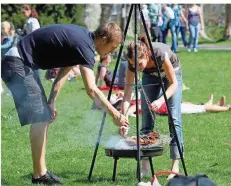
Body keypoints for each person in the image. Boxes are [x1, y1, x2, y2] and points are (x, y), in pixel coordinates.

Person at [1, 23, 129, 185]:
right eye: (113, 46)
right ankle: (39, 176)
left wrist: (52, 101)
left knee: (44, 117)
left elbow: (63, 72)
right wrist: (115, 114)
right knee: (40, 119)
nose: (112, 51)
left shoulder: (83, 40)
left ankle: (41, 172)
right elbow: (91, 89)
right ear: (103, 40)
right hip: (17, 63)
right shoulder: (85, 47)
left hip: (21, 63)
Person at [121, 35, 183, 179]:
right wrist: (123, 119)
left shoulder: (160, 54)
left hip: (171, 75)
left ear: (147, 55)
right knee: (146, 118)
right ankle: (145, 167)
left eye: (139, 65)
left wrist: (161, 100)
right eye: (133, 65)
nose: (136, 69)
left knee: (174, 118)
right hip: (150, 75)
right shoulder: (133, 62)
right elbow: (127, 94)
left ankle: (175, 166)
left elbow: (174, 84)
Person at [156, 94, 231, 115]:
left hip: (168, 105)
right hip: (170, 108)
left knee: (187, 103)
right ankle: (227, 108)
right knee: (204, 108)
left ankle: (212, 105)